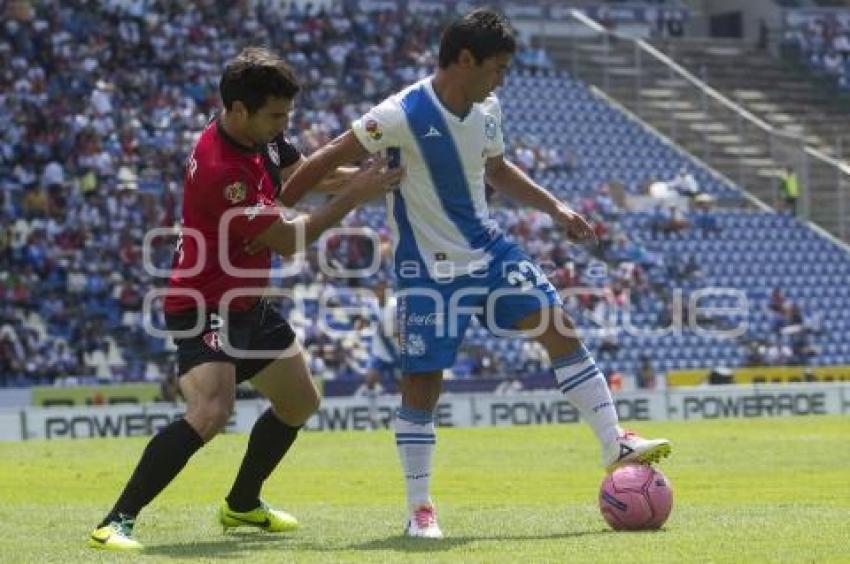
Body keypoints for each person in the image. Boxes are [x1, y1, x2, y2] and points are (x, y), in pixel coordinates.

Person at [280, 9, 670, 539]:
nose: (502, 79)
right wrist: (279, 198)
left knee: (558, 326)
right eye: (497, 67)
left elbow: (497, 168)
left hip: (490, 252)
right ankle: (420, 508)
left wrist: (555, 208)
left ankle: (613, 441)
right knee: (423, 384)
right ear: (465, 59)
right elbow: (330, 155)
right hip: (429, 270)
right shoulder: (401, 112)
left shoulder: (487, 107)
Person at [88, 47, 402, 551]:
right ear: (238, 110)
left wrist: (380, 180)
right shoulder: (222, 171)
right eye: (275, 116)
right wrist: (357, 195)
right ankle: (115, 521)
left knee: (299, 401)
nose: (282, 126)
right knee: (211, 412)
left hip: (246, 303)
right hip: (203, 303)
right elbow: (292, 239)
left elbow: (311, 174)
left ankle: (241, 505)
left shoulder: (261, 137)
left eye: (286, 116)